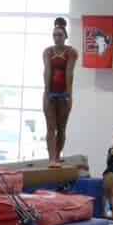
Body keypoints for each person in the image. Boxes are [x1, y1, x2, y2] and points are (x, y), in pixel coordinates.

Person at [42, 17, 79, 166]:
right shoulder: (47, 52)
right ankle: (51, 158)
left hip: (64, 93)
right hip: (50, 92)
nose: (57, 38)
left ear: (65, 36)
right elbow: (47, 71)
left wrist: (68, 95)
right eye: (54, 35)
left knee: (61, 128)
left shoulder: (71, 52)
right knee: (51, 127)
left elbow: (69, 73)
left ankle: (57, 157)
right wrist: (47, 92)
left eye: (60, 35)